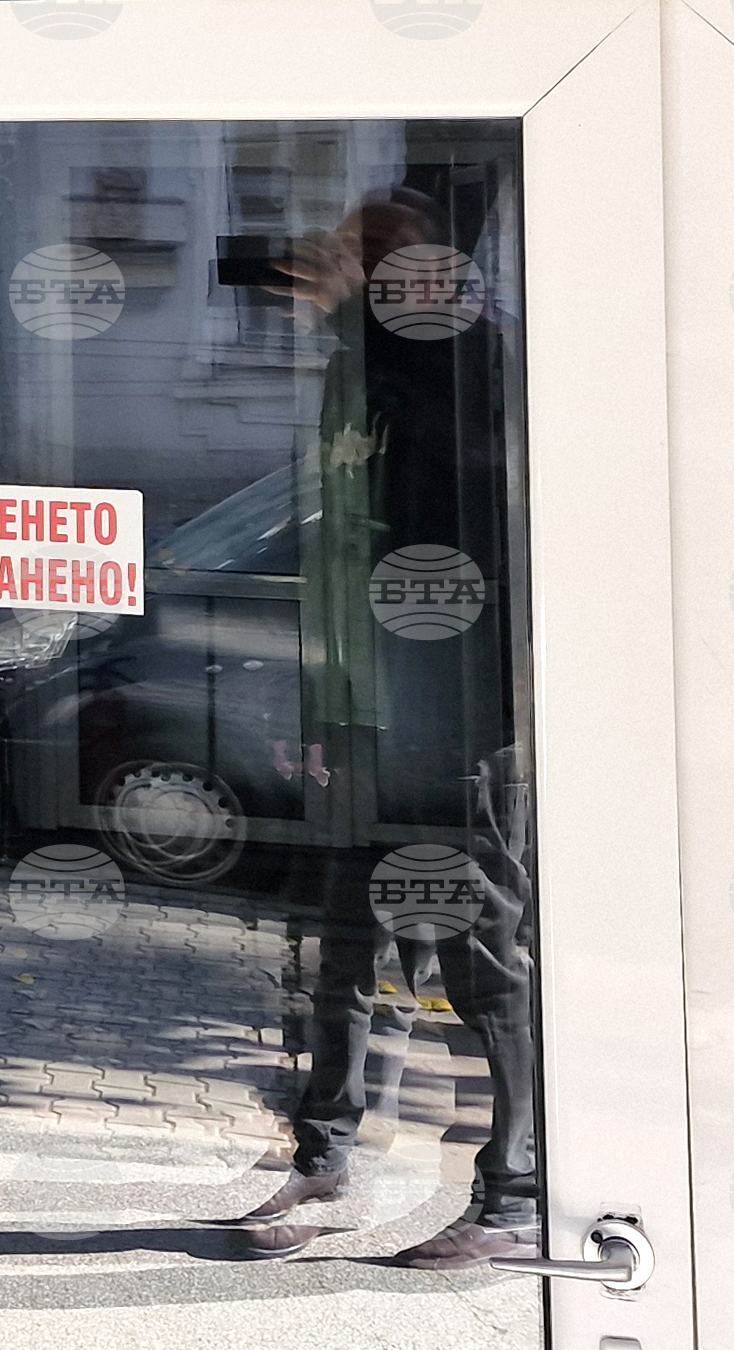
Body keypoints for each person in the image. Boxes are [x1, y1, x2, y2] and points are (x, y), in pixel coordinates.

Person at [227, 186, 542, 1269]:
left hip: (457, 724)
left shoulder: (473, 361)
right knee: (346, 951)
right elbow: (342, 550)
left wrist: (361, 316)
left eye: (366, 258)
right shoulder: (356, 370)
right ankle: (326, 1164)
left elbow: (468, 522)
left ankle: (518, 1197)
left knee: (483, 962)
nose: (329, 269)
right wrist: (322, 707)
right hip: (369, 716)